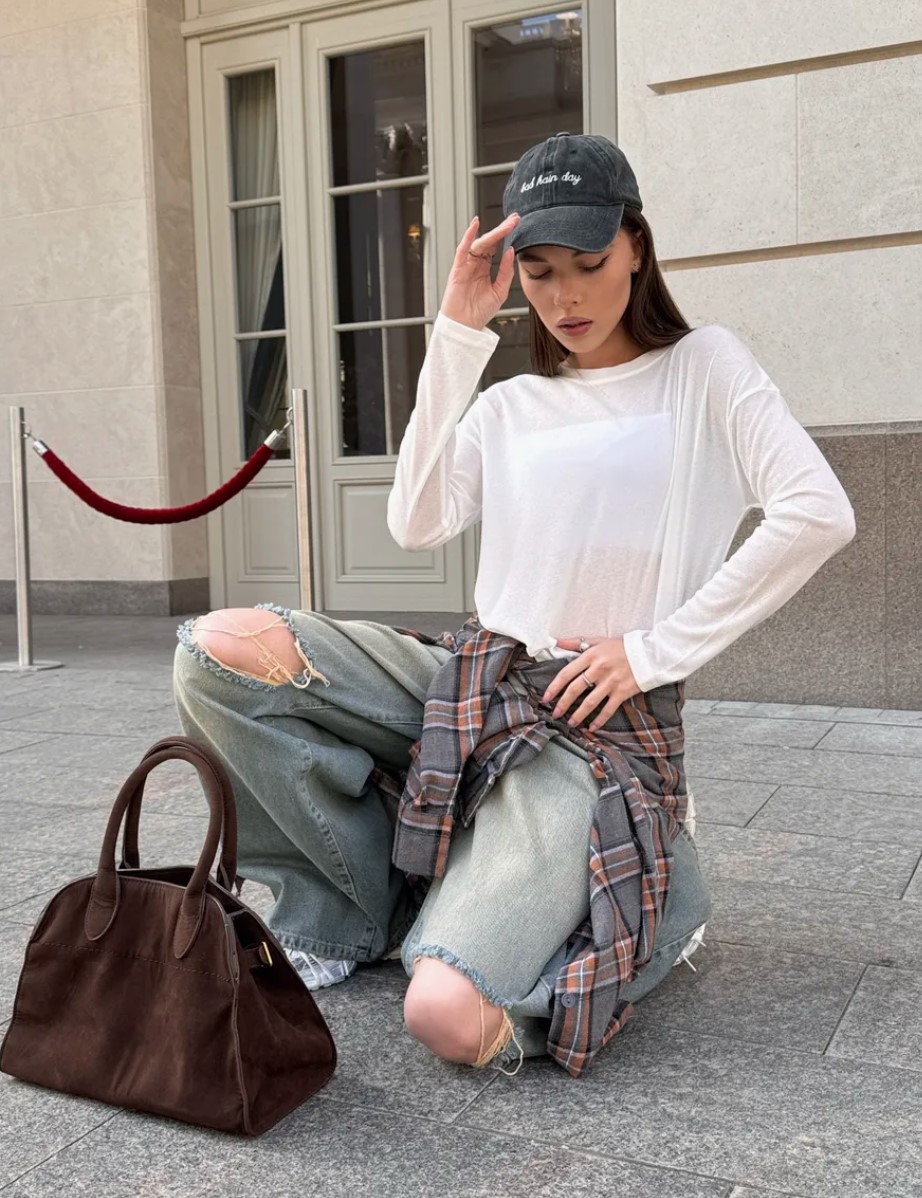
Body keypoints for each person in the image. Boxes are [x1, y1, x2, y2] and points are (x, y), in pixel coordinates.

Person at [173, 133, 856, 1076]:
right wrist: (458, 334)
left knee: (446, 1017)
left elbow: (818, 512)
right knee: (219, 648)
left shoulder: (704, 368)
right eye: (540, 272)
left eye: (588, 263)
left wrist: (651, 652)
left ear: (636, 248)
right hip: (476, 682)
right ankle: (344, 915)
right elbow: (415, 520)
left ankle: (662, 894)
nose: (566, 296)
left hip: (593, 723)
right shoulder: (511, 404)